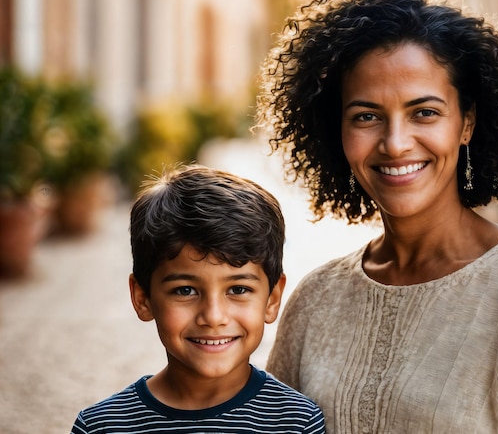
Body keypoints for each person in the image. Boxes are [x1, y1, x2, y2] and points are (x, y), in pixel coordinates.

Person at [255, 0, 498, 433]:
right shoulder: (315, 300)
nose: (395, 143)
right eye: (366, 116)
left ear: (466, 123)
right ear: (336, 132)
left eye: (424, 112)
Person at [70, 164, 325, 433]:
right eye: (185, 290)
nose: (213, 317)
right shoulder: (102, 427)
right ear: (143, 298)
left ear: (272, 299)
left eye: (238, 290)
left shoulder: (297, 423)